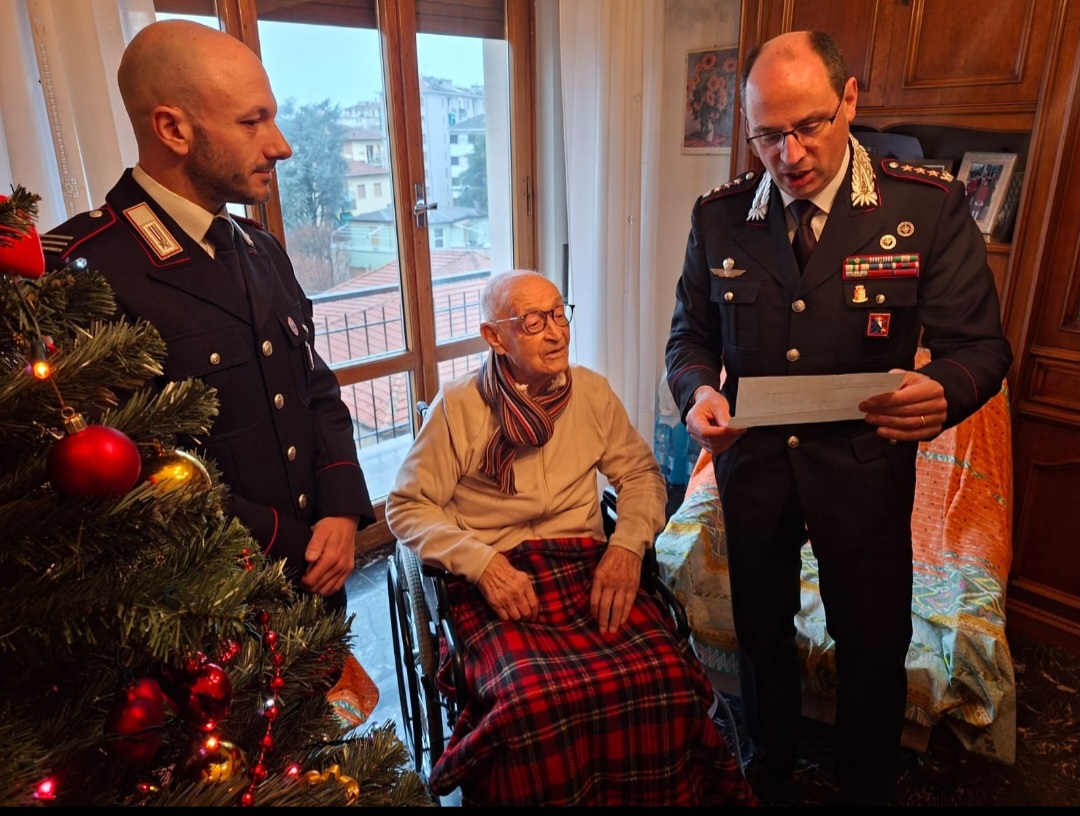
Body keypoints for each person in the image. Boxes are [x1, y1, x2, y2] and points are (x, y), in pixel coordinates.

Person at [664, 30, 1012, 806]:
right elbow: (689, 338)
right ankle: (769, 761)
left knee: (872, 639)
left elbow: (981, 347)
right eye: (767, 135)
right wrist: (697, 394)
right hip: (755, 466)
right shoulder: (720, 216)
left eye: (808, 126)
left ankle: (865, 780)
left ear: (848, 101)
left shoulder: (923, 205)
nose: (788, 155)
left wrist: (945, 390)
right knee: (761, 630)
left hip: (864, 469)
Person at [385, 269, 756, 806]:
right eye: (533, 322)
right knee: (528, 703)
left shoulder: (591, 393)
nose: (557, 332)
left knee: (665, 675)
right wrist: (482, 564)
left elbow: (641, 475)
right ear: (494, 337)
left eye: (559, 314)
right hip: (497, 576)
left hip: (580, 563)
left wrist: (626, 547)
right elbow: (406, 505)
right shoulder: (459, 407)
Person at [41, 19, 374, 615]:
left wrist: (342, 509)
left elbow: (314, 388)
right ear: (173, 129)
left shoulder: (260, 247)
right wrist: (289, 544)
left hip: (319, 576)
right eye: (252, 122)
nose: (281, 145)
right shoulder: (80, 271)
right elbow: (134, 474)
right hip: (205, 613)